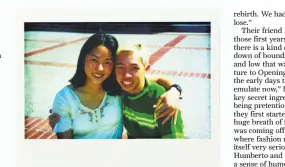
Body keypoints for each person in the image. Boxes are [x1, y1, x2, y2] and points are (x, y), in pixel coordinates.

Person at [51, 33, 181, 139]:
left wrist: (174, 91)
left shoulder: (118, 89)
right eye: (94, 60)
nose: (100, 68)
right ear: (83, 59)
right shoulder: (64, 99)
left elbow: (152, 80)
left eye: (107, 62)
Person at [115, 42, 185, 138]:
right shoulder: (119, 89)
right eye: (120, 67)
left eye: (134, 68)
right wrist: (175, 89)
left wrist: (175, 90)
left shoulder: (162, 101)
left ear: (146, 69)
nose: (126, 75)